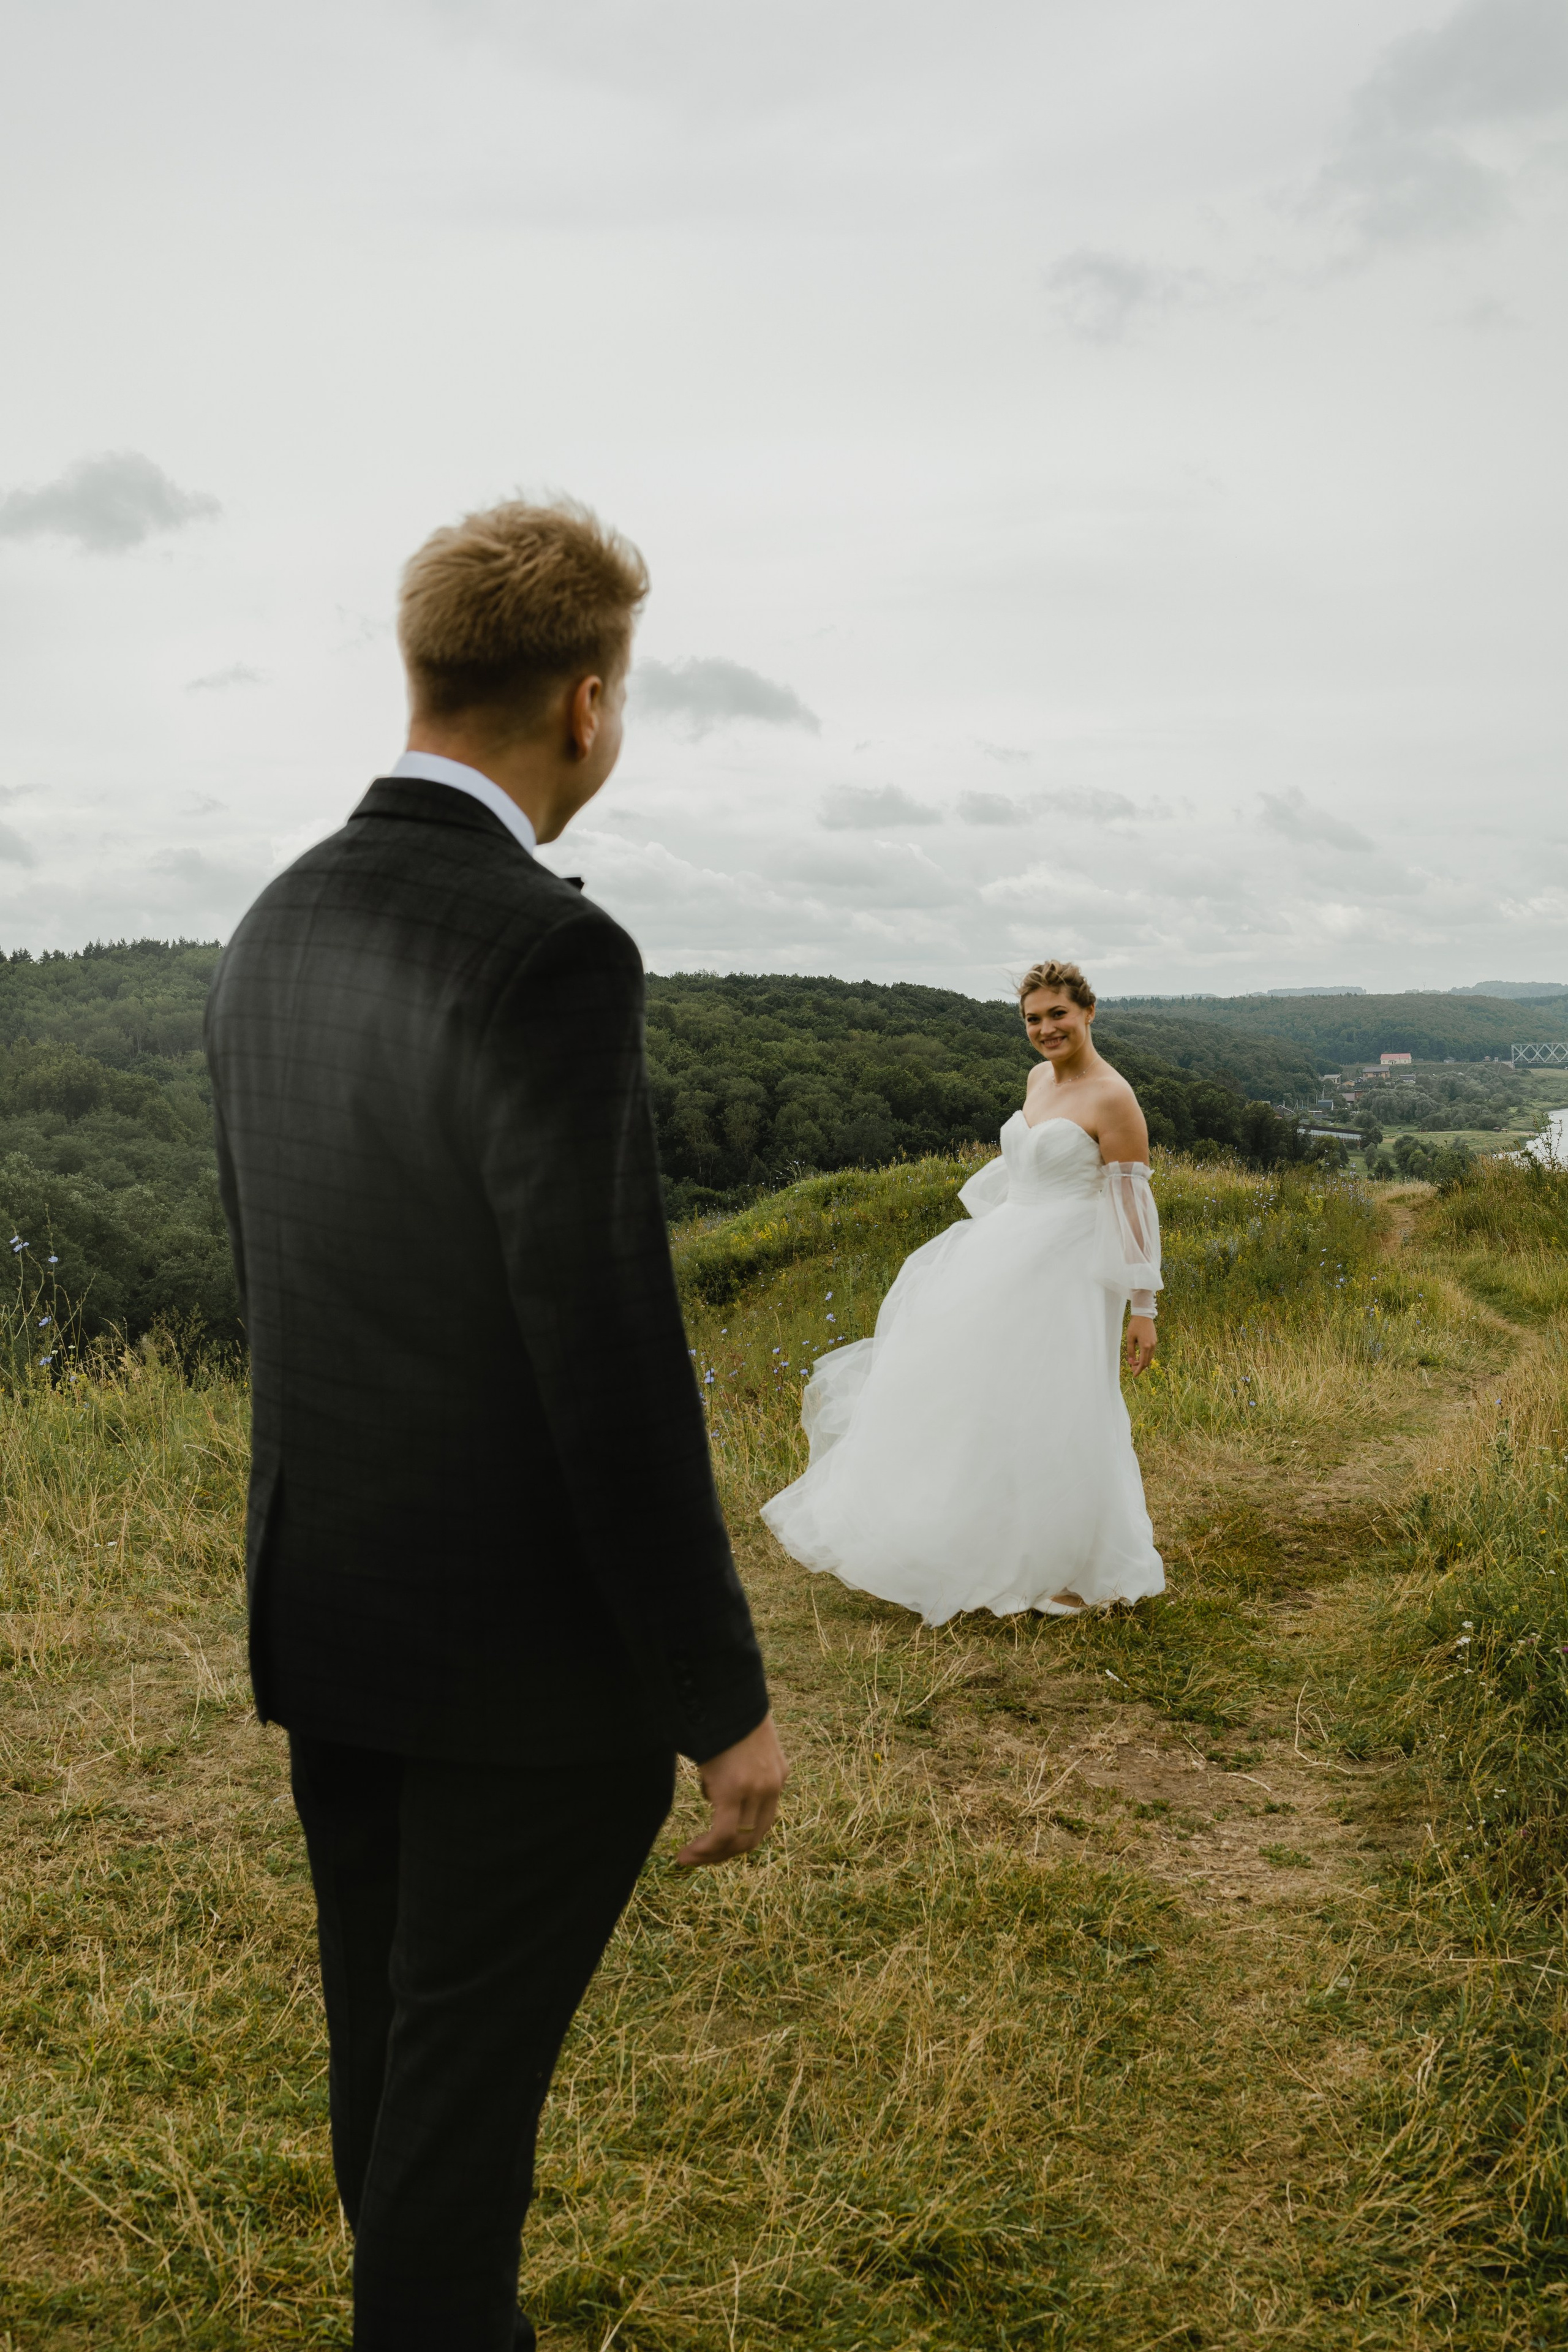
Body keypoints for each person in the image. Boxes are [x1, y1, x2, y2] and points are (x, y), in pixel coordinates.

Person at [205, 499, 788, 2352]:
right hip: (520, 1677)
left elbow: (281, 1276)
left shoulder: (272, 914)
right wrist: (718, 1694)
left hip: (332, 1613)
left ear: (419, 669)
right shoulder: (552, 954)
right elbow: (602, 1348)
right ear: (589, 702)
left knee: (392, 2057)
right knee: (457, 2120)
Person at [761, 959, 1165, 1622]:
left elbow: (1131, 1207)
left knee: (1061, 1402)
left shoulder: (1113, 1097)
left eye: (1057, 1014)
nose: (1044, 1029)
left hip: (1070, 1274)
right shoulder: (1038, 1078)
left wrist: (1142, 1306)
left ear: (1088, 1012)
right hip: (1005, 1254)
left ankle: (1068, 1562)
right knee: (980, 1396)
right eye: (1032, 1019)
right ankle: (969, 1537)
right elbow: (1023, 1171)